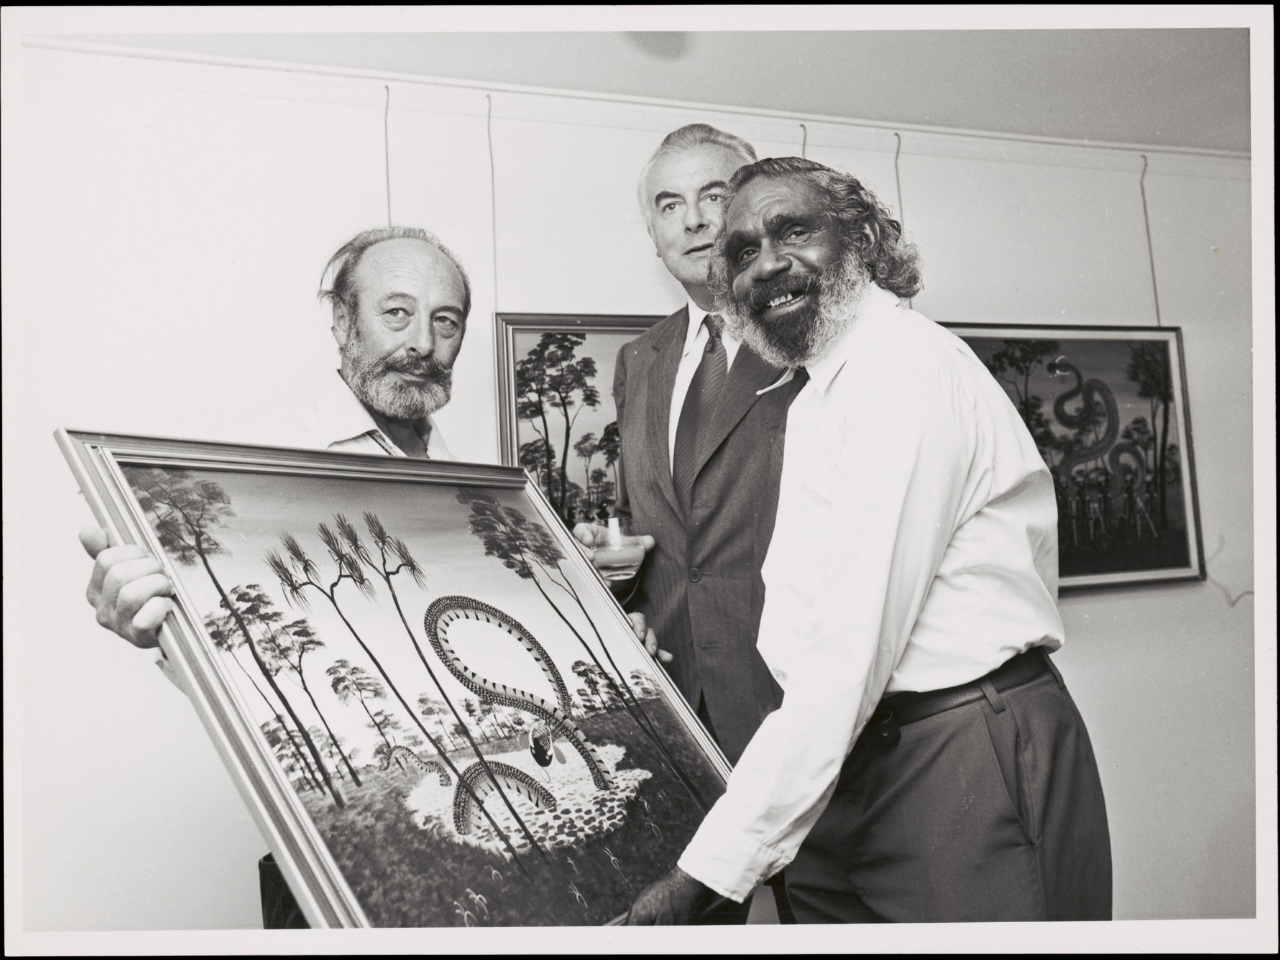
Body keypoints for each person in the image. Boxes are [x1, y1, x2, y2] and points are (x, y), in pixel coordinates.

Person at [626, 157, 1112, 924]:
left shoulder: (903, 372)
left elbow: (849, 649)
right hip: (846, 760)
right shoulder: (819, 387)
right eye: (743, 251)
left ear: (860, 240)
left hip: (958, 754)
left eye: (794, 231)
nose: (768, 264)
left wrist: (701, 879)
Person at [575, 124, 809, 923]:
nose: (695, 221)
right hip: (682, 716)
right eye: (669, 205)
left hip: (801, 711)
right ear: (651, 232)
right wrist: (610, 571)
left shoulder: (810, 339)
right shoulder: (638, 361)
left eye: (715, 196)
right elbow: (665, 533)